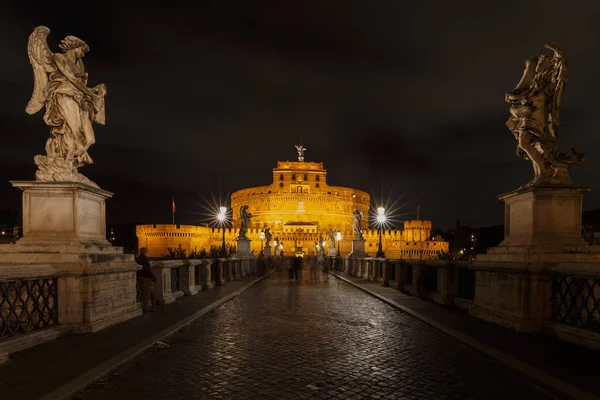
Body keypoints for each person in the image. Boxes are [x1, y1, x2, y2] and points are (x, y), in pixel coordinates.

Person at [135, 248, 156, 312]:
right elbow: (148, 270)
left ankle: (148, 306)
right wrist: (153, 277)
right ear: (146, 252)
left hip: (140, 277)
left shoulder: (137, 259)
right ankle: (146, 307)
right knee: (147, 293)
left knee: (144, 292)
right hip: (146, 278)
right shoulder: (145, 259)